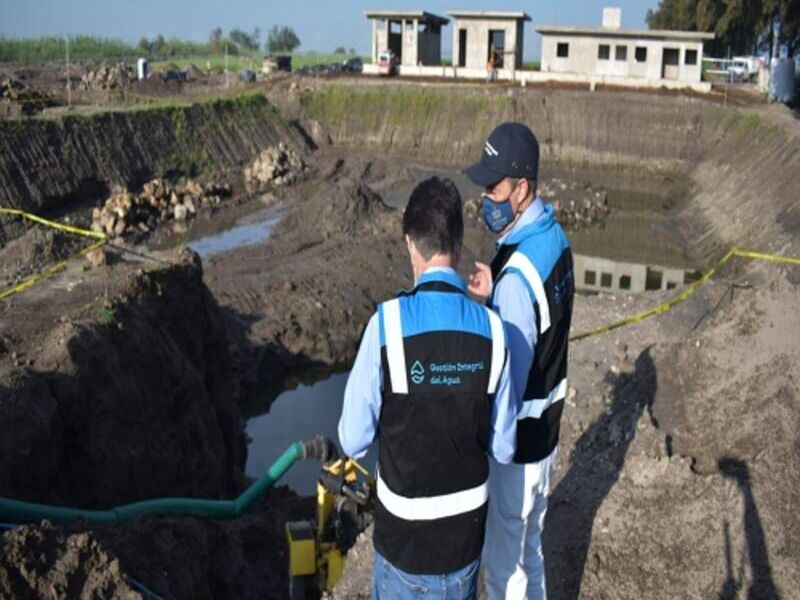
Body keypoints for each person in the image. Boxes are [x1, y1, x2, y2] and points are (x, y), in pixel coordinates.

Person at [338, 176, 517, 599]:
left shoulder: (386, 327)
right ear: (458, 244)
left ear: (409, 243)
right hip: (463, 549)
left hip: (404, 551)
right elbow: (505, 447)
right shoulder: (494, 331)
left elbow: (352, 438)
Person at [464, 122, 575, 600]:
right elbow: (543, 316)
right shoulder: (555, 241)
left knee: (504, 569)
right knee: (532, 550)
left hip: (519, 450)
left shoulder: (514, 281)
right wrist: (500, 292)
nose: (486, 196)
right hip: (546, 434)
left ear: (522, 188)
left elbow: (510, 377)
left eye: (495, 186)